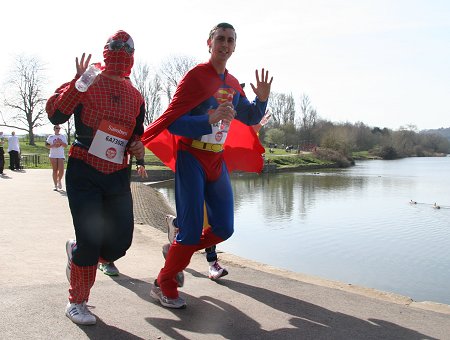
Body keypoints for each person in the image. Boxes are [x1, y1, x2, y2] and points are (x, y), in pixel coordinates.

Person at [142, 22, 273, 309]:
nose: (225, 44)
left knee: (224, 228)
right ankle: (163, 283)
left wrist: (261, 100)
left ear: (235, 46)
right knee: (189, 230)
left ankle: (177, 251)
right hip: (191, 158)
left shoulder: (233, 83)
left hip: (216, 159)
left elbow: (250, 116)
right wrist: (208, 119)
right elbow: (173, 122)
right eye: (220, 39)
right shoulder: (195, 77)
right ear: (209, 43)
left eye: (230, 40)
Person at [46, 30, 146, 325]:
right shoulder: (88, 80)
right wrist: (78, 84)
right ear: (105, 50)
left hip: (117, 173)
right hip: (84, 167)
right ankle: (77, 301)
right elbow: (56, 115)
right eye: (115, 46)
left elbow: (135, 134)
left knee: (119, 244)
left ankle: (77, 255)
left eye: (126, 47)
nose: (120, 51)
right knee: (90, 240)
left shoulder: (136, 95)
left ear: (133, 55)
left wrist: (137, 146)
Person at [46, 125, 68, 191]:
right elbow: (47, 145)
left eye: (59, 128)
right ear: (54, 129)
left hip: (60, 155)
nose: (58, 129)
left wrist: (61, 142)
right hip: (53, 155)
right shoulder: (51, 137)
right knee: (55, 170)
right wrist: (54, 145)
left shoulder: (62, 136)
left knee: (61, 170)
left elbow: (66, 145)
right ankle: (55, 185)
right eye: (56, 128)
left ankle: (59, 180)